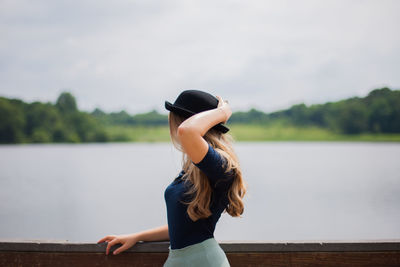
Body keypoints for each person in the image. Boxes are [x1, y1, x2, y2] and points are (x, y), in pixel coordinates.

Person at [97, 89, 247, 266]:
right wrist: (137, 237)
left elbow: (187, 131)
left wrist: (224, 111)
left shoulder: (221, 166)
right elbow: (183, 227)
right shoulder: (193, 169)